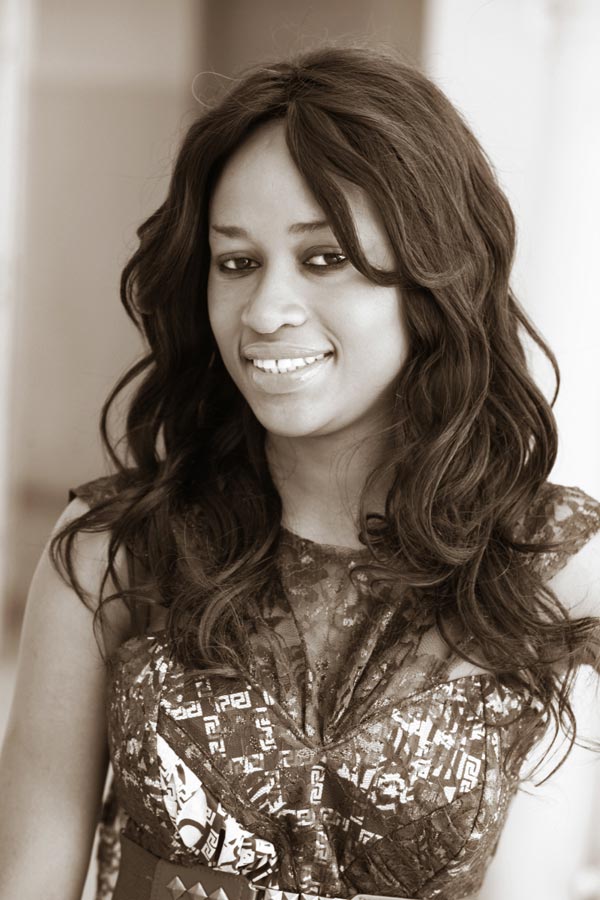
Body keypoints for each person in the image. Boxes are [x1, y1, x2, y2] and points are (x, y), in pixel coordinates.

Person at [1, 43, 600, 900]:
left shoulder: (552, 559)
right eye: (237, 263)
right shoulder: (114, 549)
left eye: (325, 259)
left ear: (433, 278)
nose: (266, 310)